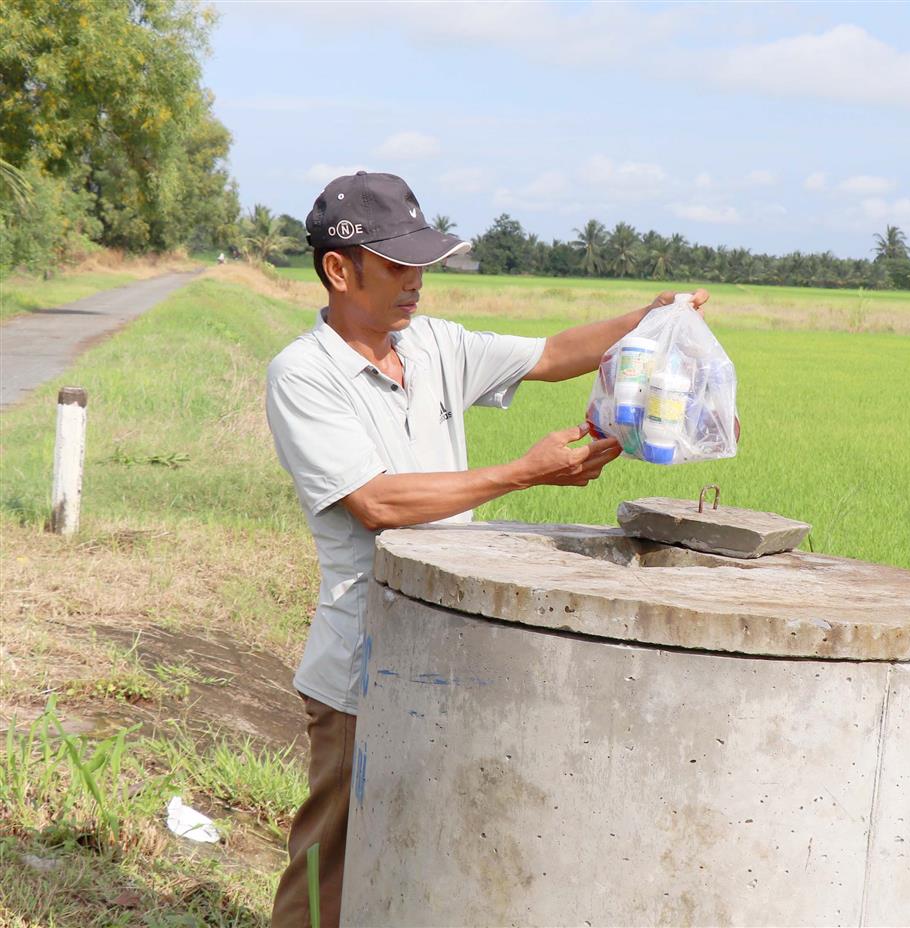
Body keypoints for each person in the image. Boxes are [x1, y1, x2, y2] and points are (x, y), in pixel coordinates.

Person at [263, 171, 708, 927]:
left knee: (423, 848)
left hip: (447, 646)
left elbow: (553, 353)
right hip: (360, 663)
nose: (417, 284)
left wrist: (655, 319)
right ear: (340, 270)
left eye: (424, 265)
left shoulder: (434, 346)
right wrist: (524, 473)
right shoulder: (304, 374)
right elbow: (378, 503)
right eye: (399, 265)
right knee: (331, 866)